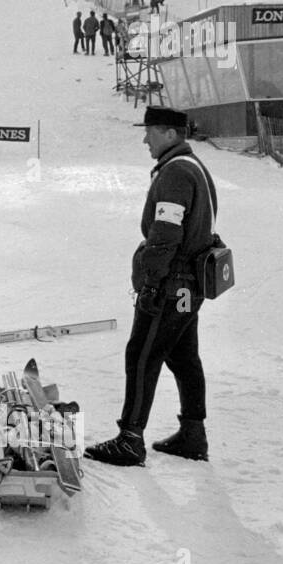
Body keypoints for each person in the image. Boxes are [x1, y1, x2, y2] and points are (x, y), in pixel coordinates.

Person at [86, 107, 219, 467]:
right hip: (190, 287)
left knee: (142, 355)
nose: (145, 139)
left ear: (171, 134)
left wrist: (151, 283)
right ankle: (193, 434)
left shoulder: (175, 174)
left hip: (172, 286)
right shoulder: (194, 168)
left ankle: (130, 438)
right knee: (183, 356)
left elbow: (165, 236)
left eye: (151, 132)